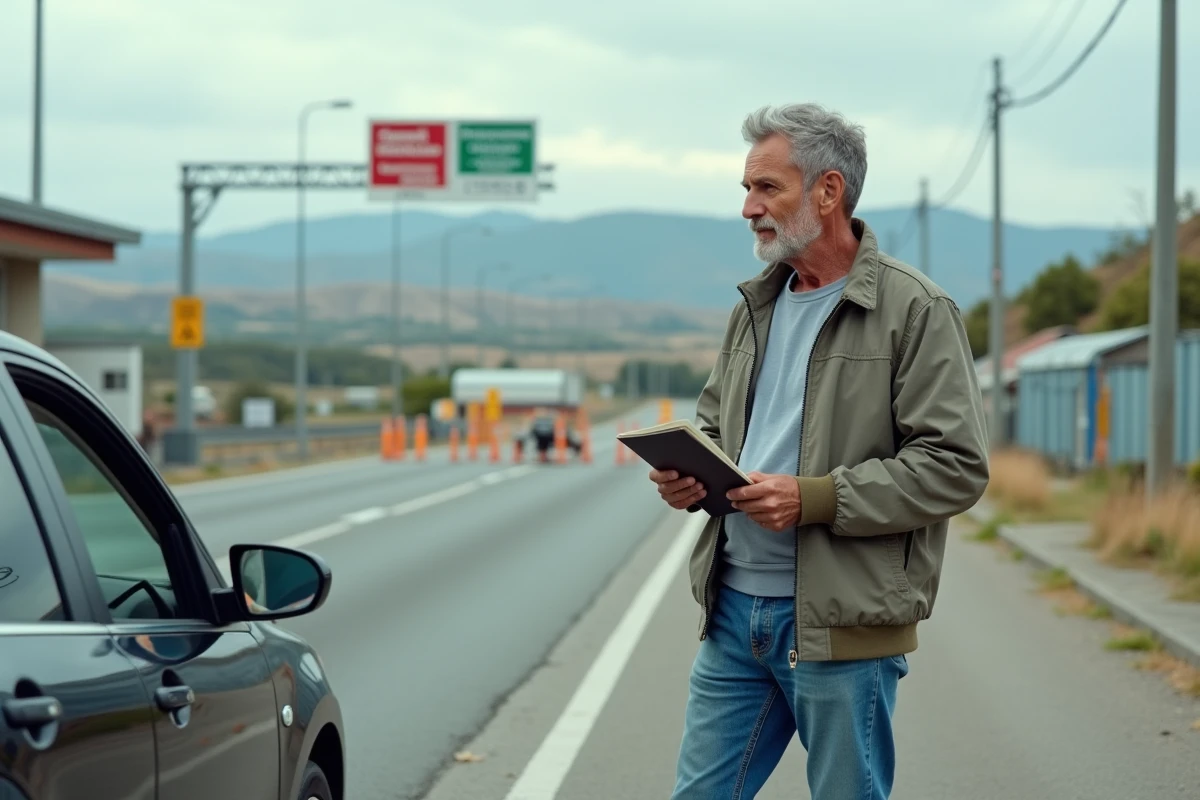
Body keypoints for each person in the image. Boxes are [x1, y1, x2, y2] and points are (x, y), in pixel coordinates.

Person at [651, 103, 989, 800]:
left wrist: (815, 498)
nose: (749, 207)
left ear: (827, 192)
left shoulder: (917, 311)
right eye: (747, 190)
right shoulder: (755, 305)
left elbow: (956, 466)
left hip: (842, 625)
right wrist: (692, 471)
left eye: (767, 188)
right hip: (733, 613)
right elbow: (717, 424)